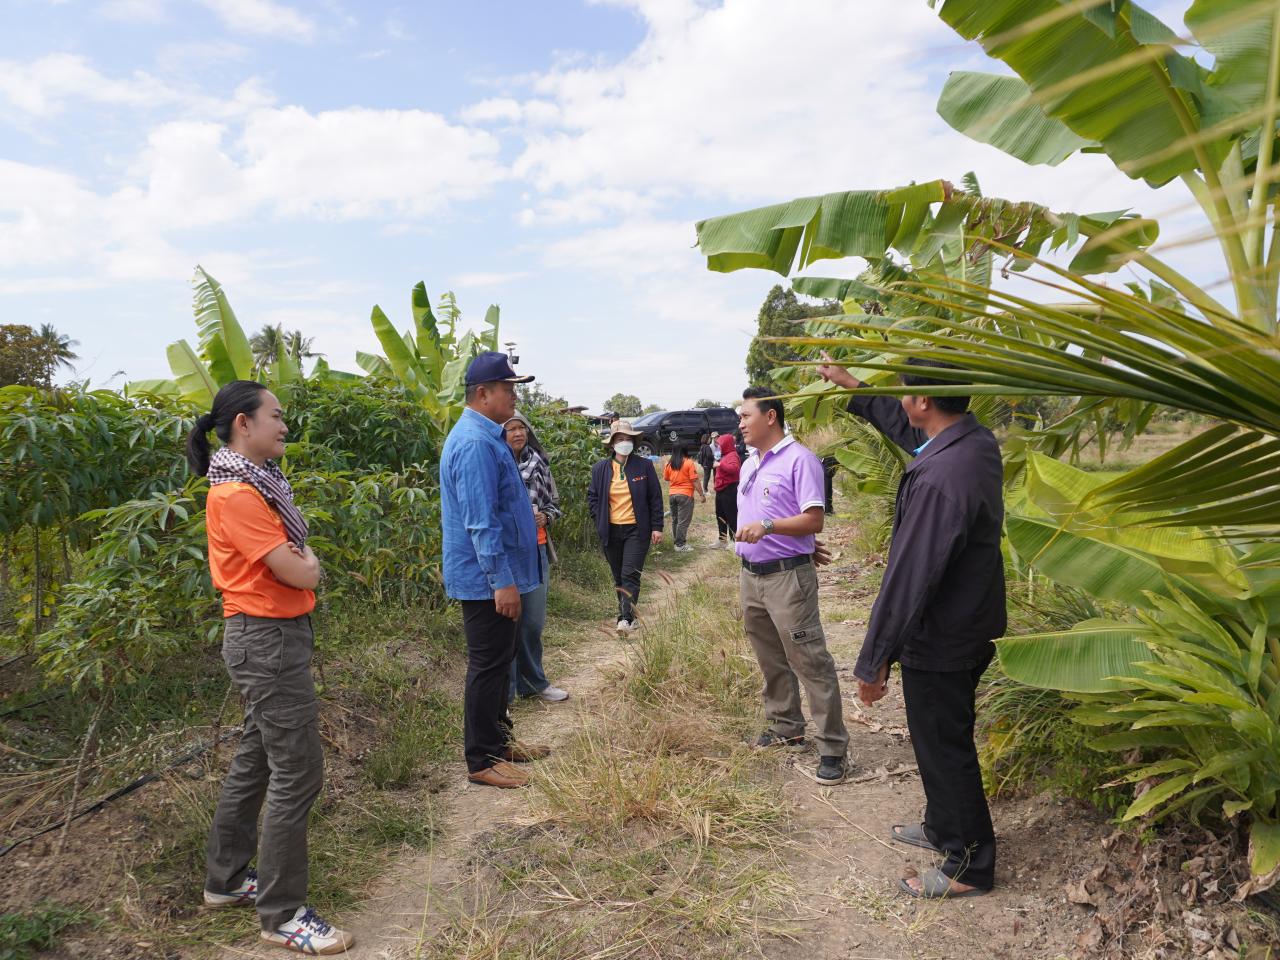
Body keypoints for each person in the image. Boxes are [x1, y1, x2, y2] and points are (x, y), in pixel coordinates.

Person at [818, 353, 1005, 900]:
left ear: (924, 400)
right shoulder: (970, 443)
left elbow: (908, 579)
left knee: (944, 746)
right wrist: (852, 386)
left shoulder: (940, 479)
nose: (902, 399)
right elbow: (907, 429)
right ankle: (943, 827)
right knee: (936, 740)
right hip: (971, 621)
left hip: (943, 636)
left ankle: (969, 864)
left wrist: (874, 660)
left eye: (905, 390)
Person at [190, 381, 354, 955]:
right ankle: (282, 915)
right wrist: (307, 563)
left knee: (258, 756)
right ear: (243, 422)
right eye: (276, 416)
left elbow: (296, 564)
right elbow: (299, 571)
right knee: (298, 771)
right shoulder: (236, 493)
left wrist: (301, 563)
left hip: (271, 637)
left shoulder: (257, 485)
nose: (284, 425)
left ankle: (228, 878)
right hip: (266, 641)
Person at [440, 352, 551, 790]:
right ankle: (482, 759)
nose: (514, 396)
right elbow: (480, 521)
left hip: (500, 576)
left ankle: (500, 741)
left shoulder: (489, 436)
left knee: (501, 659)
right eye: (508, 388)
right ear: (483, 394)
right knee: (488, 666)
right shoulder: (473, 443)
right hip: (486, 580)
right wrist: (501, 581)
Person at [734, 387, 850, 786]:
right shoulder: (751, 462)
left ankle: (833, 747)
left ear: (770, 417)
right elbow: (780, 516)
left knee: (810, 661)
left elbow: (813, 518)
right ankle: (787, 727)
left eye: (746, 415)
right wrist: (792, 538)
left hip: (787, 579)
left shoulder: (800, 460)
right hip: (752, 575)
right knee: (771, 659)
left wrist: (774, 530)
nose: (741, 423)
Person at [503, 412, 569, 704]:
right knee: (505, 625)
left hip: (536, 549)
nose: (518, 433)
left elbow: (554, 503)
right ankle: (505, 693)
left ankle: (532, 683)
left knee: (532, 622)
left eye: (522, 428)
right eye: (511, 428)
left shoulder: (539, 463)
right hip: (506, 552)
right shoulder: (496, 463)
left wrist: (546, 516)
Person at [587, 420, 663, 635]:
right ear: (612, 444)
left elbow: (655, 498)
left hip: (637, 530)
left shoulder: (644, 466)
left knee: (630, 574)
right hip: (611, 530)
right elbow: (592, 497)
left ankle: (625, 618)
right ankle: (629, 612)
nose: (625, 443)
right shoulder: (600, 469)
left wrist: (657, 527)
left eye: (628, 439)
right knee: (619, 576)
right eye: (620, 439)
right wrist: (598, 517)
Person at [663, 444, 704, 551]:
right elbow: (695, 480)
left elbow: (666, 478)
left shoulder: (669, 464)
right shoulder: (689, 463)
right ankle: (680, 545)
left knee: (675, 520)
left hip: (672, 494)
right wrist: (701, 494)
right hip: (685, 495)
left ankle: (676, 542)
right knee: (683, 521)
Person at [713, 433, 740, 547]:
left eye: (720, 444)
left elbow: (735, 469)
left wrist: (720, 465)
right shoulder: (723, 455)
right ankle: (722, 539)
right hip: (720, 489)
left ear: (726, 444)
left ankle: (734, 540)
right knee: (720, 514)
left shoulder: (733, 455)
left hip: (730, 489)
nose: (719, 446)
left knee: (731, 515)